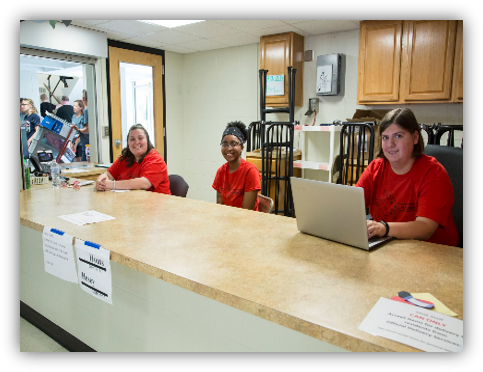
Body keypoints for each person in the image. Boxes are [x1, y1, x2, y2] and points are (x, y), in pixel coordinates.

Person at [355, 108, 459, 246]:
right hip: (391, 246)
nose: (390, 144)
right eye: (385, 137)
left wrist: (384, 228)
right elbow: (352, 205)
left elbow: (425, 228)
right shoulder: (376, 168)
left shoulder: (434, 173)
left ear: (415, 137)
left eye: (398, 136)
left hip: (435, 252)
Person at [96, 124, 170, 194]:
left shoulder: (156, 160)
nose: (136, 142)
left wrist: (113, 185)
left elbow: (144, 184)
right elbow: (108, 175)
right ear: (128, 143)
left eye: (140, 138)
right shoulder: (124, 159)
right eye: (132, 139)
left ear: (147, 140)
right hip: (131, 202)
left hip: (157, 205)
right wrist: (100, 182)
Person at [212, 121, 261, 211]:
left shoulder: (250, 171)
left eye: (234, 144)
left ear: (242, 147)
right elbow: (220, 208)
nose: (228, 148)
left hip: (246, 222)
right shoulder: (221, 171)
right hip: (227, 219)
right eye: (225, 144)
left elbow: (246, 212)